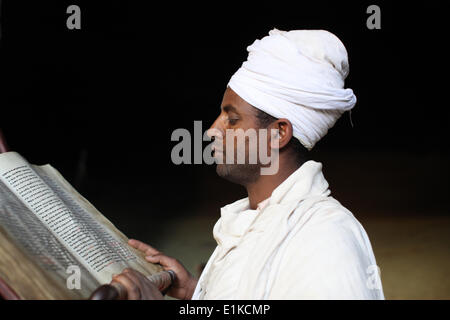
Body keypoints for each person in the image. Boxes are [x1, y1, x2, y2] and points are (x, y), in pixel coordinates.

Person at [112, 29, 385, 299]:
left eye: (232, 120)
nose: (211, 131)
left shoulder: (324, 239)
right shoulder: (259, 218)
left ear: (278, 133)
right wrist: (196, 292)